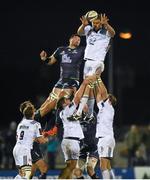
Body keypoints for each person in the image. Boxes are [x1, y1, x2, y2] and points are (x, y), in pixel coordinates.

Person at [71, 12, 115, 121]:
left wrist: (106, 25)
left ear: (101, 23)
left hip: (98, 62)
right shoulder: (89, 30)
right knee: (89, 89)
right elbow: (79, 32)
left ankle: (80, 111)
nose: (96, 24)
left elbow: (113, 33)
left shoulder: (105, 32)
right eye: (94, 22)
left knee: (87, 84)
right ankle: (90, 115)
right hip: (88, 62)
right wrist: (84, 25)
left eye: (98, 22)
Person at [57, 75, 96, 179]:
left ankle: (72, 178)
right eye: (66, 100)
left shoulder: (62, 113)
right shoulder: (68, 109)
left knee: (69, 167)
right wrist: (84, 84)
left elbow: (79, 103)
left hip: (65, 141)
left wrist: (76, 90)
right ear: (64, 103)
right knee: (73, 167)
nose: (68, 100)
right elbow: (78, 98)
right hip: (73, 141)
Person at [39, 34, 85, 114]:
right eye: (76, 39)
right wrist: (44, 59)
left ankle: (55, 121)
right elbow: (50, 62)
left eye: (79, 40)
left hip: (72, 81)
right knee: (49, 100)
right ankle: (35, 118)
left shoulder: (81, 50)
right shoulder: (60, 50)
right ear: (70, 39)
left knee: (60, 99)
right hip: (61, 81)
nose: (78, 41)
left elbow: (92, 51)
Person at [13, 102, 48, 179]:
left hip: (16, 149)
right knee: (26, 175)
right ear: (33, 114)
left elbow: (23, 136)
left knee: (23, 174)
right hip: (25, 150)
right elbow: (41, 140)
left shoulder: (21, 123)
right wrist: (46, 139)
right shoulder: (36, 124)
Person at [95, 83, 117, 179]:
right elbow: (98, 96)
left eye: (107, 98)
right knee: (107, 165)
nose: (105, 98)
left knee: (103, 165)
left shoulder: (109, 107)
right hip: (105, 138)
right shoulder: (103, 108)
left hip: (106, 138)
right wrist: (94, 84)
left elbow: (103, 93)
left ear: (110, 101)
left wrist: (98, 79)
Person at [73, 106, 99, 179]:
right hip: (82, 147)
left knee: (89, 169)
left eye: (86, 105)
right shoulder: (77, 117)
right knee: (77, 171)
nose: (84, 107)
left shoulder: (92, 114)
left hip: (93, 147)